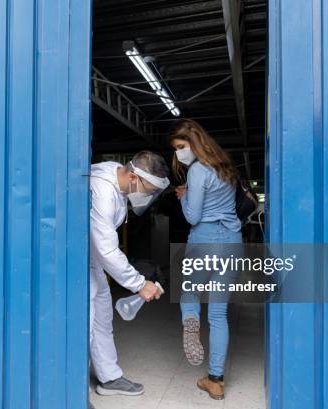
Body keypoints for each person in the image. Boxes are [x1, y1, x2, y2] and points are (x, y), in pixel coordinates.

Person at [170, 119, 242, 400]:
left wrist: (183, 198)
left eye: (180, 147)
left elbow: (193, 216)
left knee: (188, 291)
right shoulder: (225, 167)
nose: (178, 153)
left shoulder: (198, 170)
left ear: (194, 143)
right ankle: (215, 380)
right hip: (233, 242)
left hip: (205, 239)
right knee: (218, 314)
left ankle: (190, 320)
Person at [89, 151, 170, 397]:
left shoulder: (118, 177)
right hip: (74, 260)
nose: (149, 196)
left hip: (91, 258)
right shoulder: (102, 191)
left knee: (101, 317)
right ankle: (72, 392)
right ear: (134, 177)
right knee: (84, 320)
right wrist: (139, 284)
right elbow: (106, 248)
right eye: (149, 189)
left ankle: (109, 377)